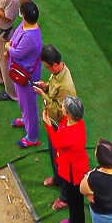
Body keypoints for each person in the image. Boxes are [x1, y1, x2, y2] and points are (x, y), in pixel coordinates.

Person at [49, 94, 90, 223]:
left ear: (70, 113)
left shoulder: (72, 133)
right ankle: (73, 221)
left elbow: (58, 142)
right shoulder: (70, 122)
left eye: (64, 107)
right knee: (74, 202)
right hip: (69, 169)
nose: (62, 107)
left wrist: (48, 124)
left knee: (77, 204)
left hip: (75, 173)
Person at [39, 44, 78, 193]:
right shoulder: (58, 74)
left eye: (48, 67)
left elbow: (61, 112)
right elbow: (53, 87)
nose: (47, 69)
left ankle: (65, 194)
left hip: (62, 128)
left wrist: (43, 95)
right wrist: (46, 87)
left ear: (55, 65)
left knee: (62, 161)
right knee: (53, 154)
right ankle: (57, 178)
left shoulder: (66, 86)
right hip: (54, 123)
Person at [7, 1, 44, 149]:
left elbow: (18, 53)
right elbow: (16, 35)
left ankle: (33, 137)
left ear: (24, 15)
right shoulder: (25, 25)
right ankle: (25, 120)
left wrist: (8, 48)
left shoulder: (30, 37)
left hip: (27, 76)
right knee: (23, 101)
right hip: (20, 72)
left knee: (29, 105)